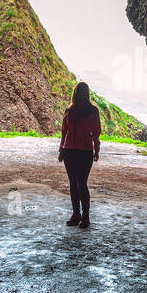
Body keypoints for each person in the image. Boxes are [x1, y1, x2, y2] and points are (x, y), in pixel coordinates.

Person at [58, 82, 100, 228]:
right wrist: (61, 150)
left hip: (85, 151)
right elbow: (64, 132)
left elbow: (96, 133)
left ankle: (85, 216)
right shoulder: (69, 110)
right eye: (79, 91)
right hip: (69, 150)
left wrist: (97, 150)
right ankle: (76, 214)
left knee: (81, 183)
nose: (79, 93)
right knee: (73, 184)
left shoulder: (92, 110)